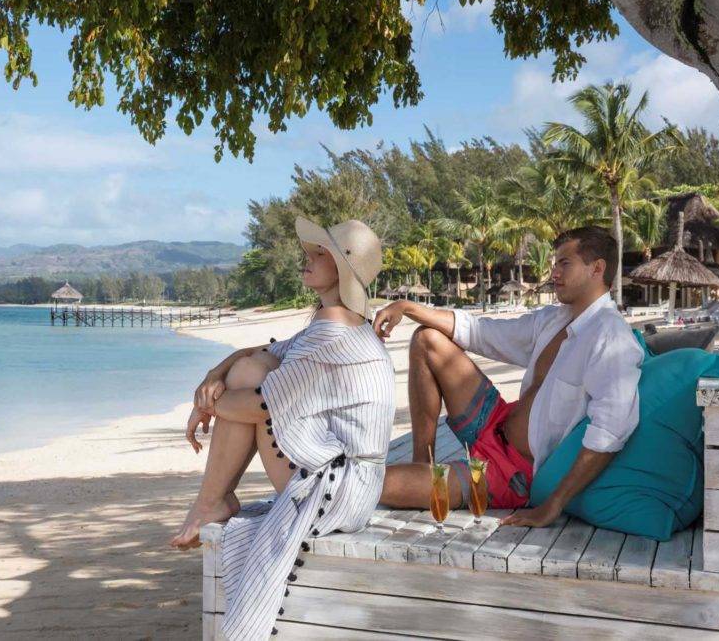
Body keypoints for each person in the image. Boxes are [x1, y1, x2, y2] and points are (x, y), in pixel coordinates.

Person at [171, 216, 395, 640]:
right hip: (355, 478)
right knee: (250, 367)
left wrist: (209, 405)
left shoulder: (335, 337)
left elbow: (260, 406)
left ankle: (211, 503)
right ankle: (212, 502)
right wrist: (211, 378)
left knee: (250, 377)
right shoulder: (334, 324)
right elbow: (260, 351)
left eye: (319, 254)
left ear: (342, 270)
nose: (305, 259)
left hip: (342, 490)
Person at [374, 226, 643, 527]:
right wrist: (406, 307)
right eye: (555, 263)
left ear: (597, 269)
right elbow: (480, 332)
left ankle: (420, 482)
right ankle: (422, 463)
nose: (554, 272)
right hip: (495, 421)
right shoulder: (555, 319)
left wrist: (552, 505)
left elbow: (611, 431)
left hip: (510, 471)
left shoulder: (611, 338)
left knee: (378, 483)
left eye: (564, 263)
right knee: (427, 340)